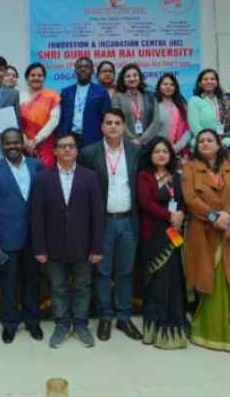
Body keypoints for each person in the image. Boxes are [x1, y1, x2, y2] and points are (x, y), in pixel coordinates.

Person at [31, 133, 104, 349]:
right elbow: (37, 216)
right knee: (58, 287)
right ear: (55, 151)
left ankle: (81, 324)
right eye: (62, 146)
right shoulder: (43, 178)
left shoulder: (90, 177)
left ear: (77, 151)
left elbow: (97, 215)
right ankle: (62, 324)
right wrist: (40, 248)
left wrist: (97, 247)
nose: (66, 150)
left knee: (83, 286)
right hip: (53, 246)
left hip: (83, 246)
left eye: (71, 146)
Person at [182, 129, 230, 352]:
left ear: (219, 144)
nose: (205, 143)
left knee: (229, 278)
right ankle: (206, 328)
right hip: (203, 232)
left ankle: (229, 327)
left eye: (209, 140)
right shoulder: (190, 168)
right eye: (201, 141)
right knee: (207, 277)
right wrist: (215, 218)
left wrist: (229, 215)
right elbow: (190, 199)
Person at [78, 109, 142, 341]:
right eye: (108, 123)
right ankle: (105, 317)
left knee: (126, 271)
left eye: (117, 123)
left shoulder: (136, 150)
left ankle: (124, 317)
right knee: (103, 272)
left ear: (124, 126)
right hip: (103, 222)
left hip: (128, 221)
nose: (113, 126)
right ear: (102, 127)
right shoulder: (89, 153)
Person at [0, 128, 47, 343]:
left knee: (33, 281)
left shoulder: (37, 166)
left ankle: (32, 321)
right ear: (2, 145)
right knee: (8, 284)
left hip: (35, 238)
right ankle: (10, 324)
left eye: (16, 142)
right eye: (8, 143)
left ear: (23, 143)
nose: (12, 146)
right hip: (7, 238)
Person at [135, 138, 188, 349]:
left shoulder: (177, 176)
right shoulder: (144, 176)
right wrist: (169, 215)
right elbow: (145, 203)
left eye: (165, 151)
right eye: (156, 151)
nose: (161, 155)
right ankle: (154, 329)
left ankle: (173, 328)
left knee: (174, 279)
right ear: (150, 155)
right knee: (157, 281)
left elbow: (183, 201)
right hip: (153, 234)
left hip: (173, 234)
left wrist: (181, 213)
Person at [57, 57, 112, 148]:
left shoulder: (101, 92)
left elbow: (106, 118)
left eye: (86, 67)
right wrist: (61, 135)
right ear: (75, 70)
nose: (83, 69)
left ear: (92, 71)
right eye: (80, 67)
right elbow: (60, 118)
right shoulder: (66, 92)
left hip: (93, 139)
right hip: (69, 138)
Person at [187, 69, 230, 153]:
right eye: (205, 79)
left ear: (217, 83)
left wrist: (224, 143)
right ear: (200, 84)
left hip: (225, 146)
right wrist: (209, 142)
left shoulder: (227, 100)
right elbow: (195, 125)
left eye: (212, 79)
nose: (209, 81)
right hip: (202, 146)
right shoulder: (195, 100)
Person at [18, 63, 61, 168]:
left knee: (46, 173)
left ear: (44, 78)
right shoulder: (19, 96)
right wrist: (25, 141)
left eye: (40, 75)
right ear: (27, 78)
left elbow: (54, 120)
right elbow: (15, 120)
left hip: (46, 143)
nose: (36, 78)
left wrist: (36, 140)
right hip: (22, 144)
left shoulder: (52, 96)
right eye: (32, 75)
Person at [111, 64, 163, 147]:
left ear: (140, 78)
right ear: (123, 79)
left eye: (135, 75)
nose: (132, 79)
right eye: (128, 76)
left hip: (149, 143)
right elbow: (117, 121)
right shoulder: (117, 98)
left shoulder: (150, 96)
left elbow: (156, 120)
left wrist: (142, 140)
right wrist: (132, 139)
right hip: (126, 144)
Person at [155, 73, 192, 159]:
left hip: (180, 150)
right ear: (159, 86)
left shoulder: (182, 105)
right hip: (159, 150)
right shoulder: (154, 104)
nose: (168, 87)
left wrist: (177, 147)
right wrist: (162, 148)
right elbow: (152, 130)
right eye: (165, 84)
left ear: (175, 88)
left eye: (172, 85)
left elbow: (189, 129)